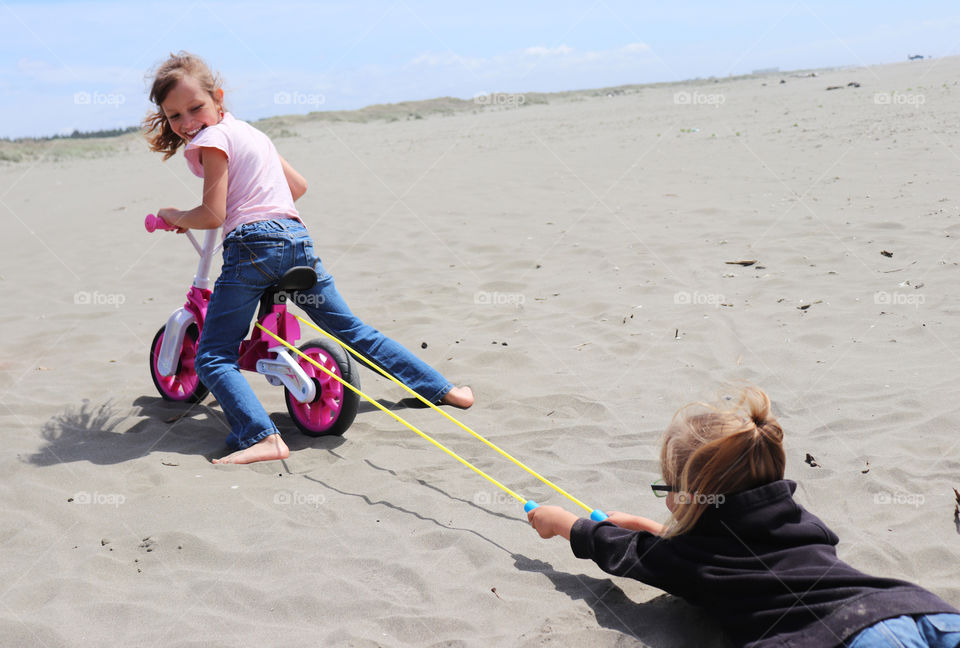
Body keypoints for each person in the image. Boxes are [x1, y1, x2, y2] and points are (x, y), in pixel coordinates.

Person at [143, 52, 473, 465]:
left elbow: (213, 215)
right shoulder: (252, 134)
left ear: (218, 98)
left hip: (251, 248)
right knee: (351, 329)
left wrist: (175, 216)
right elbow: (296, 186)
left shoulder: (212, 141)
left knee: (212, 356)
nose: (187, 122)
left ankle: (261, 435)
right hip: (297, 241)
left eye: (195, 108)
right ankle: (441, 388)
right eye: (174, 116)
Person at [527, 387, 960, 647]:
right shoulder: (798, 522)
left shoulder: (691, 557)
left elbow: (619, 551)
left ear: (695, 497)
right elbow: (748, 557)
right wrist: (651, 528)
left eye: (668, 491)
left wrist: (561, 521)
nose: (665, 502)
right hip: (917, 610)